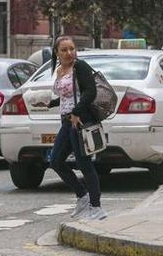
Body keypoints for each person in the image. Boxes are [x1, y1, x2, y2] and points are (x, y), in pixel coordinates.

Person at [42, 36, 106, 221]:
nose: (69, 53)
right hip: (66, 121)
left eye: (72, 49)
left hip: (79, 120)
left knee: (84, 163)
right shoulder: (59, 69)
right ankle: (82, 196)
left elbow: (90, 91)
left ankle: (97, 207)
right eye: (64, 50)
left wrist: (77, 112)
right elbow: (68, 95)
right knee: (55, 161)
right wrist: (51, 103)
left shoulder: (80, 66)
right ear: (57, 53)